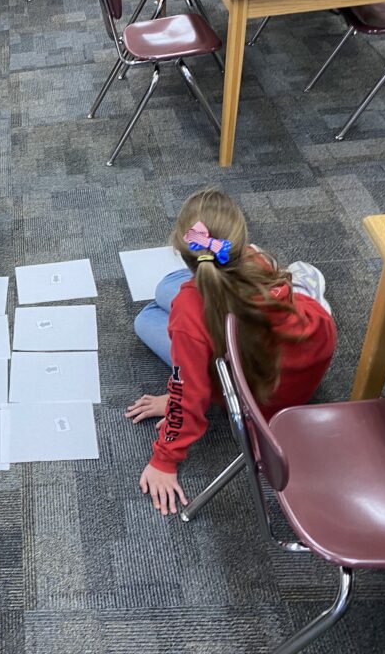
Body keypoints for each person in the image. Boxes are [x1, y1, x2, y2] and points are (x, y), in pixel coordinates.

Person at [126, 188, 337, 515]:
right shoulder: (258, 260)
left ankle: (303, 287)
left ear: (185, 252)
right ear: (240, 243)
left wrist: (164, 460)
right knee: (167, 290)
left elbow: (189, 394)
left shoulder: (189, 310)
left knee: (147, 317)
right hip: (302, 353)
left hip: (253, 391)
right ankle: (301, 286)